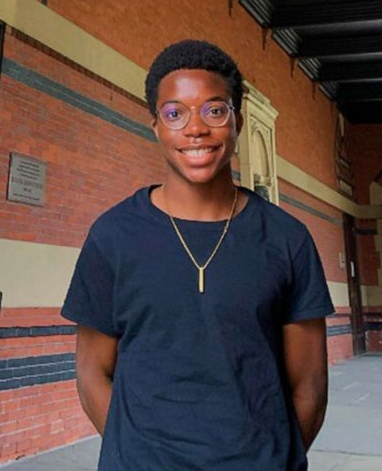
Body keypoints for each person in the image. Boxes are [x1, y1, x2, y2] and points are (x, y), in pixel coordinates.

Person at [62, 39, 335, 471]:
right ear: (156, 126)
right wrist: (133, 454)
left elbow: (311, 386)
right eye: (175, 113)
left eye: (214, 110)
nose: (195, 129)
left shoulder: (287, 239)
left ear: (238, 122)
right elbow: (92, 372)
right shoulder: (113, 236)